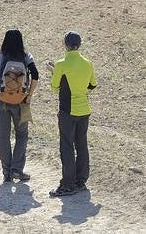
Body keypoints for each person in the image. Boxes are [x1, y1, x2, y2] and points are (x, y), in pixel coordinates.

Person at [0, 29, 39, 182]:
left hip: (1, 101)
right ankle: (17, 169)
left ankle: (6, 172)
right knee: (22, 135)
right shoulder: (26, 57)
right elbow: (35, 75)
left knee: (3, 136)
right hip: (21, 102)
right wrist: (29, 95)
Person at [49, 31, 97, 198]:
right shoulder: (88, 63)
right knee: (81, 145)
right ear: (80, 44)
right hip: (84, 110)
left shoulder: (61, 64)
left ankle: (68, 184)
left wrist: (54, 72)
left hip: (67, 111)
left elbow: (54, 87)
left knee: (67, 146)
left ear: (65, 44)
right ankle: (81, 180)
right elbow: (92, 85)